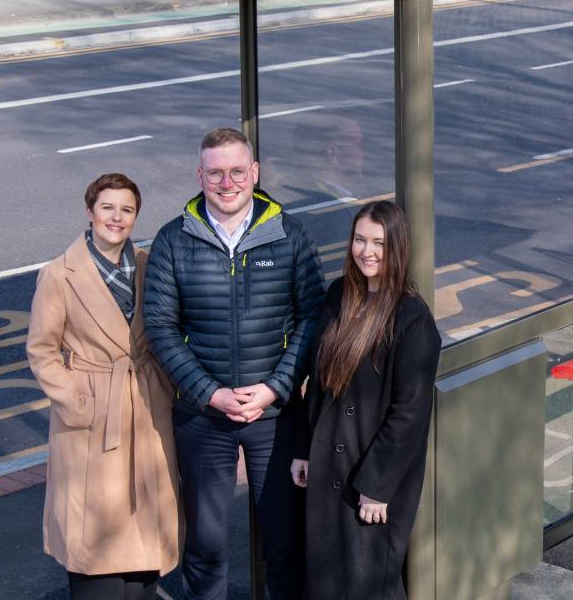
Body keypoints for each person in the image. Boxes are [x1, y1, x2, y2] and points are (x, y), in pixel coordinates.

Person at [143, 127, 325, 600]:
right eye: (216, 173)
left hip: (275, 417)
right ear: (199, 175)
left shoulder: (289, 233)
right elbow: (160, 327)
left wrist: (274, 389)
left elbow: (312, 318)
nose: (228, 183)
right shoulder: (172, 240)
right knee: (204, 547)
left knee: (285, 542)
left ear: (255, 173)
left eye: (237, 171)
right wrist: (210, 393)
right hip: (203, 418)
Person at [24, 173, 180, 600]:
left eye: (127, 210)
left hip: (146, 401)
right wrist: (76, 403)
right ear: (90, 210)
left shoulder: (149, 265)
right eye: (108, 207)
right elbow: (41, 350)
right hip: (93, 410)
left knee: (145, 530)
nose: (117, 217)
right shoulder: (60, 274)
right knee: (94, 537)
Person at [291, 200, 442, 600]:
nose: (367, 251)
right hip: (329, 467)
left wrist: (378, 485)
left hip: (369, 479)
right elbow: (319, 385)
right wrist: (304, 450)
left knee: (369, 583)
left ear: (398, 247)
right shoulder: (340, 294)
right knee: (325, 581)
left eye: (379, 242)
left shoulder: (412, 319)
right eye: (360, 239)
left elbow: (409, 415)